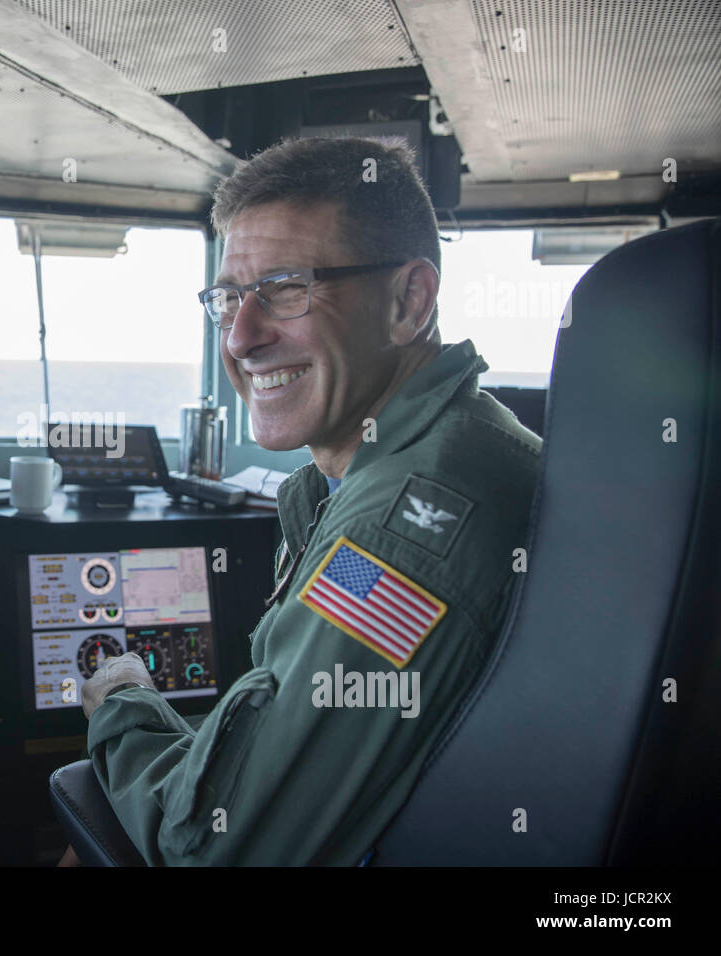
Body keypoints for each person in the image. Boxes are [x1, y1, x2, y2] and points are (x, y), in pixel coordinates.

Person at [72, 136, 541, 865]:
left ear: (409, 301)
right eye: (227, 297)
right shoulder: (438, 452)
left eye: (288, 287)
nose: (242, 335)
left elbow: (224, 850)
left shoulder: (399, 538)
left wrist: (125, 704)